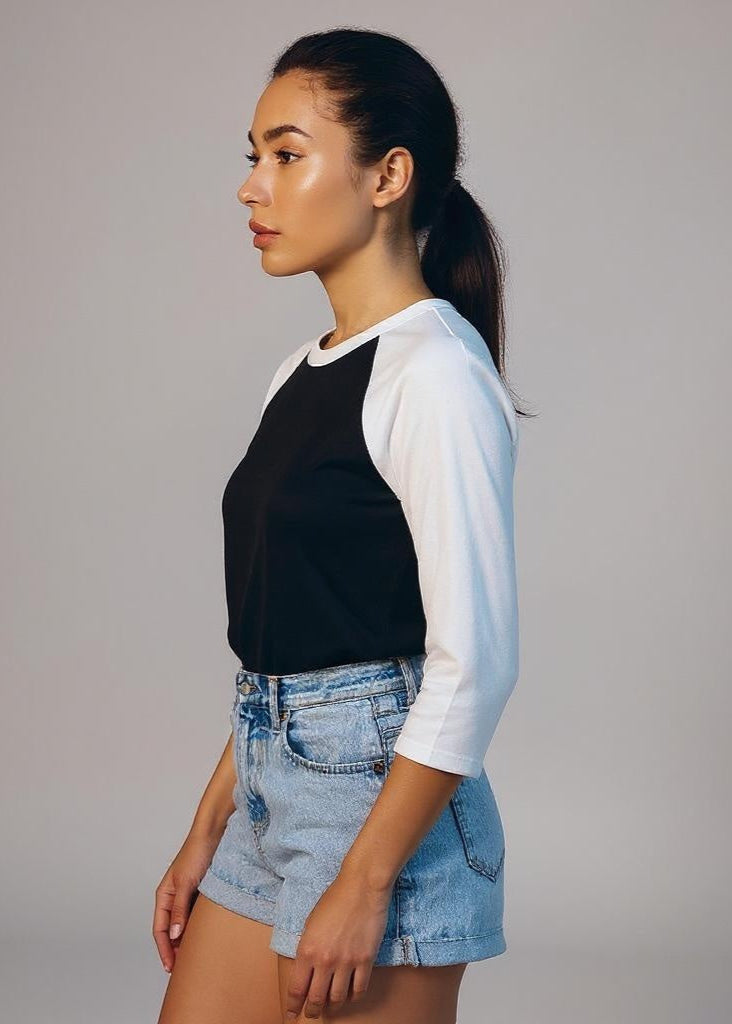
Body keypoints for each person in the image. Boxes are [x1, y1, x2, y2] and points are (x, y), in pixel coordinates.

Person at [154, 27, 531, 1024]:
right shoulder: (303, 372)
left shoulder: (435, 375)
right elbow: (298, 630)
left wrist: (366, 883)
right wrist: (210, 821)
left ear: (387, 175)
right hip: (273, 779)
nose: (252, 187)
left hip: (378, 807)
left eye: (287, 153)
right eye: (254, 157)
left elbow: (475, 664)